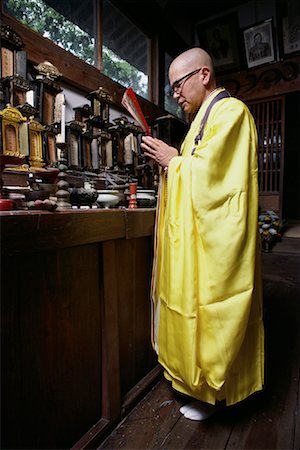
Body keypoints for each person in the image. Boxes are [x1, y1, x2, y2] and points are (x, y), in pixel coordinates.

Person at [141, 48, 264, 421]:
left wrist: (173, 162)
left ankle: (216, 390)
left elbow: (216, 181)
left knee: (213, 308)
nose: (175, 94)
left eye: (178, 84)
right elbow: (194, 167)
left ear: (204, 75)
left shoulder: (231, 113)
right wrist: (175, 162)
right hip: (195, 238)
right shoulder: (200, 120)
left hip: (218, 240)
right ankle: (197, 385)